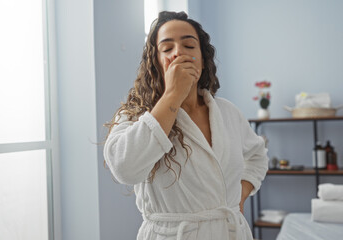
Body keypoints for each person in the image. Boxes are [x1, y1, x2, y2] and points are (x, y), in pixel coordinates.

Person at [104, 11, 268, 240]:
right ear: (155, 62)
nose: (178, 52)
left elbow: (257, 155)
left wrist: (241, 194)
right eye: (167, 48)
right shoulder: (136, 115)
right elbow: (124, 168)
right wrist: (172, 95)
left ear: (202, 58)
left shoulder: (227, 111)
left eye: (189, 46)